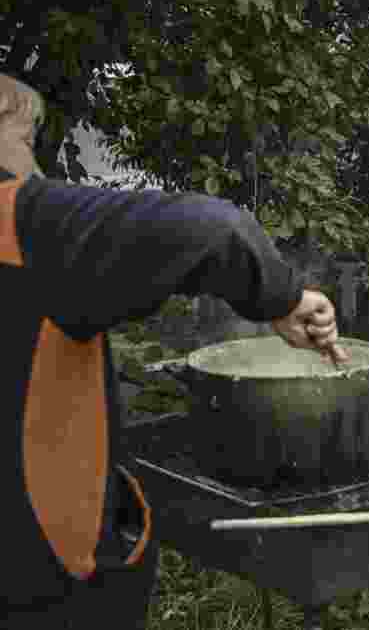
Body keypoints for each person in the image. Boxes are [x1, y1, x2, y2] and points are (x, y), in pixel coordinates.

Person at [0, 73, 349, 628]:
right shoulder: (19, 223)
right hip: (42, 584)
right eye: (24, 139)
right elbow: (209, 230)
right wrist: (284, 298)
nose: (34, 163)